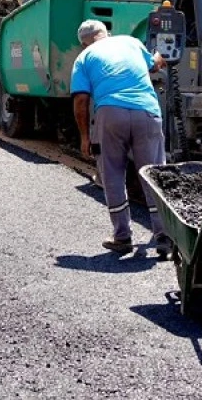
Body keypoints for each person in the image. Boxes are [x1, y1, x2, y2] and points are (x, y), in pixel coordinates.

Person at [70, 19, 172, 257]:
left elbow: (81, 101)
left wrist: (85, 137)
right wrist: (161, 53)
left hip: (111, 114)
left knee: (113, 172)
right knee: (154, 174)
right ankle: (164, 236)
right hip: (147, 111)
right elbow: (156, 64)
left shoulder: (84, 58)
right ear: (107, 33)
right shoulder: (131, 42)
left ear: (84, 44)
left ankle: (122, 236)